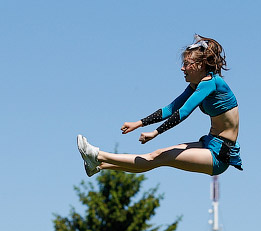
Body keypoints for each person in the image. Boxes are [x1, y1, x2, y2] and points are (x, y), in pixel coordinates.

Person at [77, 34, 242, 177]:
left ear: (201, 65)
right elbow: (171, 108)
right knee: (155, 157)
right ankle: (98, 166)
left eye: (187, 64)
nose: (182, 68)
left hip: (220, 154)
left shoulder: (211, 83)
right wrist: (139, 123)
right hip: (210, 142)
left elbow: (183, 112)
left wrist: (155, 133)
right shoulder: (196, 85)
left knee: (157, 158)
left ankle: (97, 155)